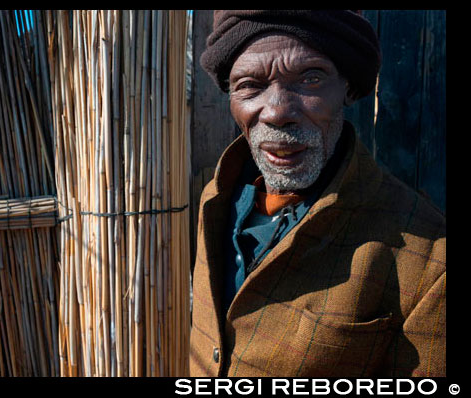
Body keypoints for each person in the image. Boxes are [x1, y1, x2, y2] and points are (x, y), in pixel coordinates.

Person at [189, 10, 446, 377]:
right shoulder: (216, 198)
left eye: (311, 79)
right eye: (250, 84)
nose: (278, 111)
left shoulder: (429, 261)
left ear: (348, 88)